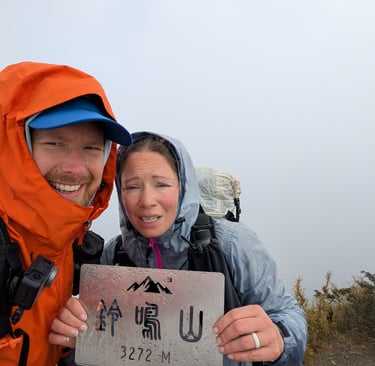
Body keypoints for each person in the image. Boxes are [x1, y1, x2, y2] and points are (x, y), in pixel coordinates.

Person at [49, 132, 307, 365]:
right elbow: (101, 345)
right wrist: (73, 340)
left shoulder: (231, 244)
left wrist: (279, 337)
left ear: (184, 188)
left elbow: (286, 314)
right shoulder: (114, 255)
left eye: (161, 184)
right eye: (132, 186)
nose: (147, 201)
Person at [0, 61, 132, 366]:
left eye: (91, 148)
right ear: (14, 146)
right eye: (55, 143)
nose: (75, 168)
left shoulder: (76, 249)